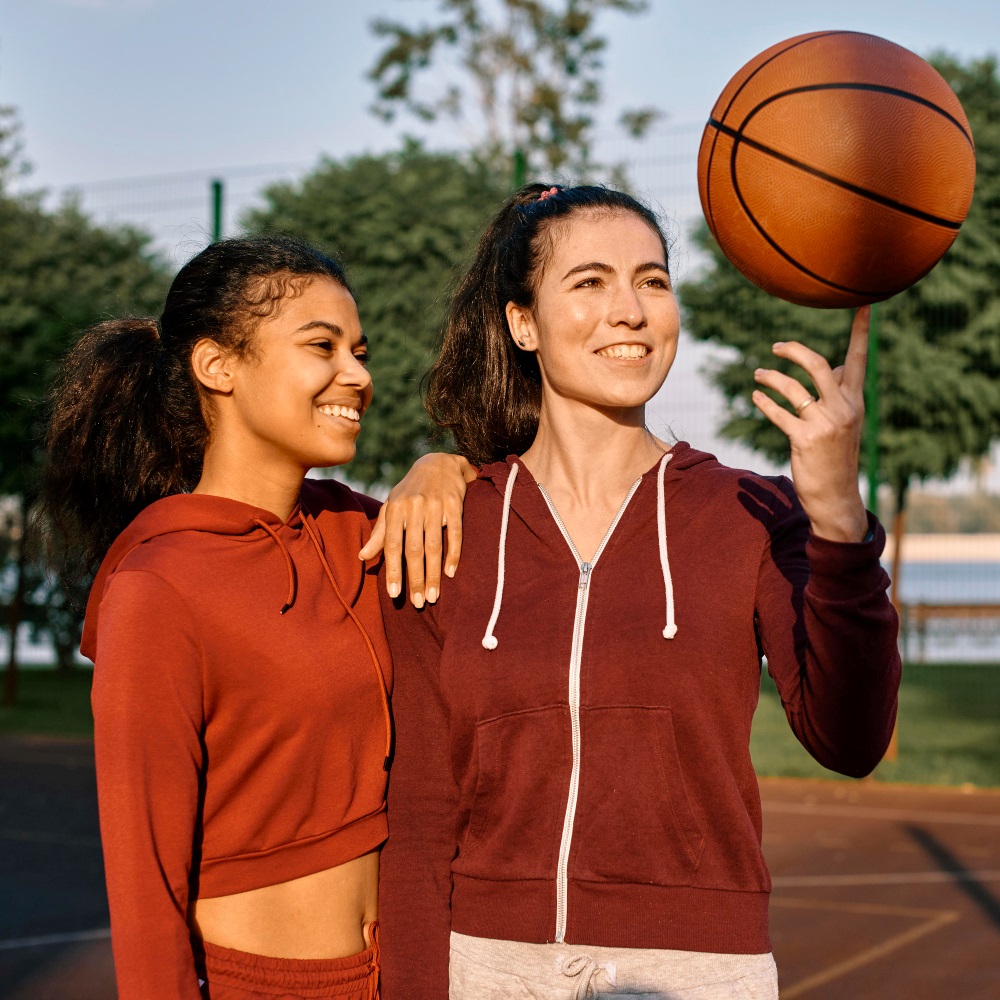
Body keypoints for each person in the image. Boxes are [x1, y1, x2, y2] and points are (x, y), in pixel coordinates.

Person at [377, 184, 901, 999]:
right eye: (589, 282)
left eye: (652, 281)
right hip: (488, 963)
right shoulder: (449, 526)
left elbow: (852, 739)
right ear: (523, 322)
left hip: (697, 968)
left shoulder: (752, 513)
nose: (630, 310)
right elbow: (417, 813)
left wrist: (837, 518)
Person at [38, 235, 474, 1000]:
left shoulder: (362, 532)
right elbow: (144, 874)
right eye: (322, 346)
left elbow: (514, 510)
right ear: (218, 366)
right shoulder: (159, 587)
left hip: (407, 975)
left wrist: (443, 466)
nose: (359, 375)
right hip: (260, 986)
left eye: (359, 350)